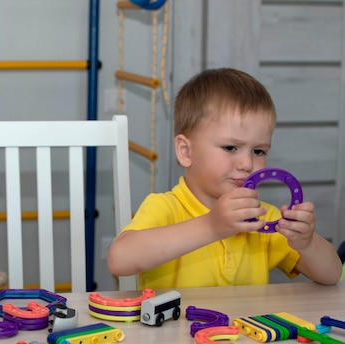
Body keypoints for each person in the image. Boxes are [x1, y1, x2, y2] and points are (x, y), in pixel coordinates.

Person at [107, 68, 342, 289]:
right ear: (186, 152)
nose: (247, 164)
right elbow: (119, 259)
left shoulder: (264, 217)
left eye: (258, 151)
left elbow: (332, 275)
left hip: (246, 332)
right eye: (230, 147)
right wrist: (211, 226)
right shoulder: (165, 208)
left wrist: (307, 243)